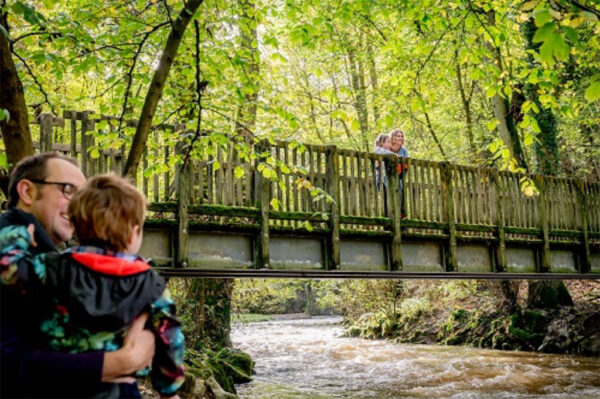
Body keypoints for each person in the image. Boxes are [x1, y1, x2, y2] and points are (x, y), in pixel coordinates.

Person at [0, 173, 185, 399]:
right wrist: (168, 389)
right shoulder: (151, 284)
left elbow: (7, 269)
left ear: (76, 227)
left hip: (56, 386)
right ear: (134, 233)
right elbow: (171, 338)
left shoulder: (49, 268)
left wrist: (19, 234)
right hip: (119, 389)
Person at [390, 129, 409, 218]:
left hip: (400, 176)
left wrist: (401, 174)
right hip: (388, 176)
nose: (400, 138)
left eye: (401, 136)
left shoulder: (404, 150)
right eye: (398, 136)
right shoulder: (388, 147)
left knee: (401, 194)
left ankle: (401, 215)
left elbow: (407, 164)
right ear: (393, 137)